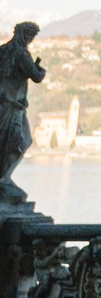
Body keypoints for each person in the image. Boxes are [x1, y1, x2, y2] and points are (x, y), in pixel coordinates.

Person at [0, 21, 43, 204]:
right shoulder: (21, 53)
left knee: (5, 141)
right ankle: (4, 177)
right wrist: (40, 67)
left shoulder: (2, 50)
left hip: (3, 103)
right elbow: (36, 76)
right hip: (13, 106)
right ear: (25, 35)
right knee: (21, 141)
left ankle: (3, 177)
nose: (31, 41)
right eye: (31, 37)